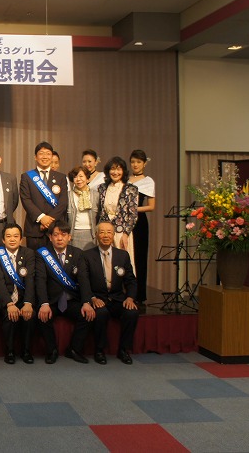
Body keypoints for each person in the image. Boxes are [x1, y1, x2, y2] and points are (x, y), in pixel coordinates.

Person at [34, 220, 95, 364]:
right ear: (50, 237)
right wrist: (44, 303)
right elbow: (40, 280)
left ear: (69, 237)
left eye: (63, 234)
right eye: (56, 235)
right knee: (42, 316)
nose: (59, 238)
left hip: (71, 299)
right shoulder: (42, 254)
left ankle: (74, 349)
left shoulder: (78, 253)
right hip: (52, 301)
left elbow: (84, 279)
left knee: (88, 315)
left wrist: (86, 302)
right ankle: (52, 350)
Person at [84, 222, 139, 365]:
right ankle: (99, 350)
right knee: (101, 313)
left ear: (113, 235)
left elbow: (131, 280)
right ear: (96, 235)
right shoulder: (87, 256)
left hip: (117, 298)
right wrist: (92, 298)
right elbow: (84, 282)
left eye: (109, 232)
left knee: (131, 313)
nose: (105, 235)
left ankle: (123, 350)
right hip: (98, 298)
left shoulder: (123, 255)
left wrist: (130, 298)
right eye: (102, 232)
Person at [0, 223, 36, 364]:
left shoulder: (28, 254)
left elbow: (30, 280)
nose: (12, 239)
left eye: (16, 236)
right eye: (8, 236)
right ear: (3, 240)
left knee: (30, 316)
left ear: (21, 239)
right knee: (9, 317)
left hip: (23, 297)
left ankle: (26, 351)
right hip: (5, 298)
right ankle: (9, 351)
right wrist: (9, 304)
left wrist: (28, 303)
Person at [19, 142, 69, 250]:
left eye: (48, 153)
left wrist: (48, 221)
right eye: (41, 153)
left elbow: (63, 202)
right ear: (35, 157)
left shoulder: (61, 177)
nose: (45, 156)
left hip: (56, 229)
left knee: (55, 259)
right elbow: (26, 200)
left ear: (52, 156)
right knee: (34, 259)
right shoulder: (27, 177)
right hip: (35, 229)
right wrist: (42, 218)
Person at [97, 156, 139, 273]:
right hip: (105, 232)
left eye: (118, 169)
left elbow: (133, 215)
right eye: (112, 169)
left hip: (121, 232)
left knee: (122, 264)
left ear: (123, 171)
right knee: (105, 263)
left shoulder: (131, 188)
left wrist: (126, 234)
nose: (115, 172)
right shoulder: (102, 188)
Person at [130, 149, 155, 304]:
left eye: (139, 162)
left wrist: (133, 209)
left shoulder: (148, 181)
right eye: (133, 162)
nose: (135, 165)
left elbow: (151, 206)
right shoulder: (125, 179)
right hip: (124, 221)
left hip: (139, 222)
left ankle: (139, 294)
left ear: (144, 163)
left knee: (139, 256)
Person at [67, 166, 99, 250]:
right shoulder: (68, 196)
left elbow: (100, 215)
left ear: (87, 179)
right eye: (75, 177)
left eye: (81, 176)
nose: (78, 179)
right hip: (73, 233)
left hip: (92, 234)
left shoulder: (96, 195)